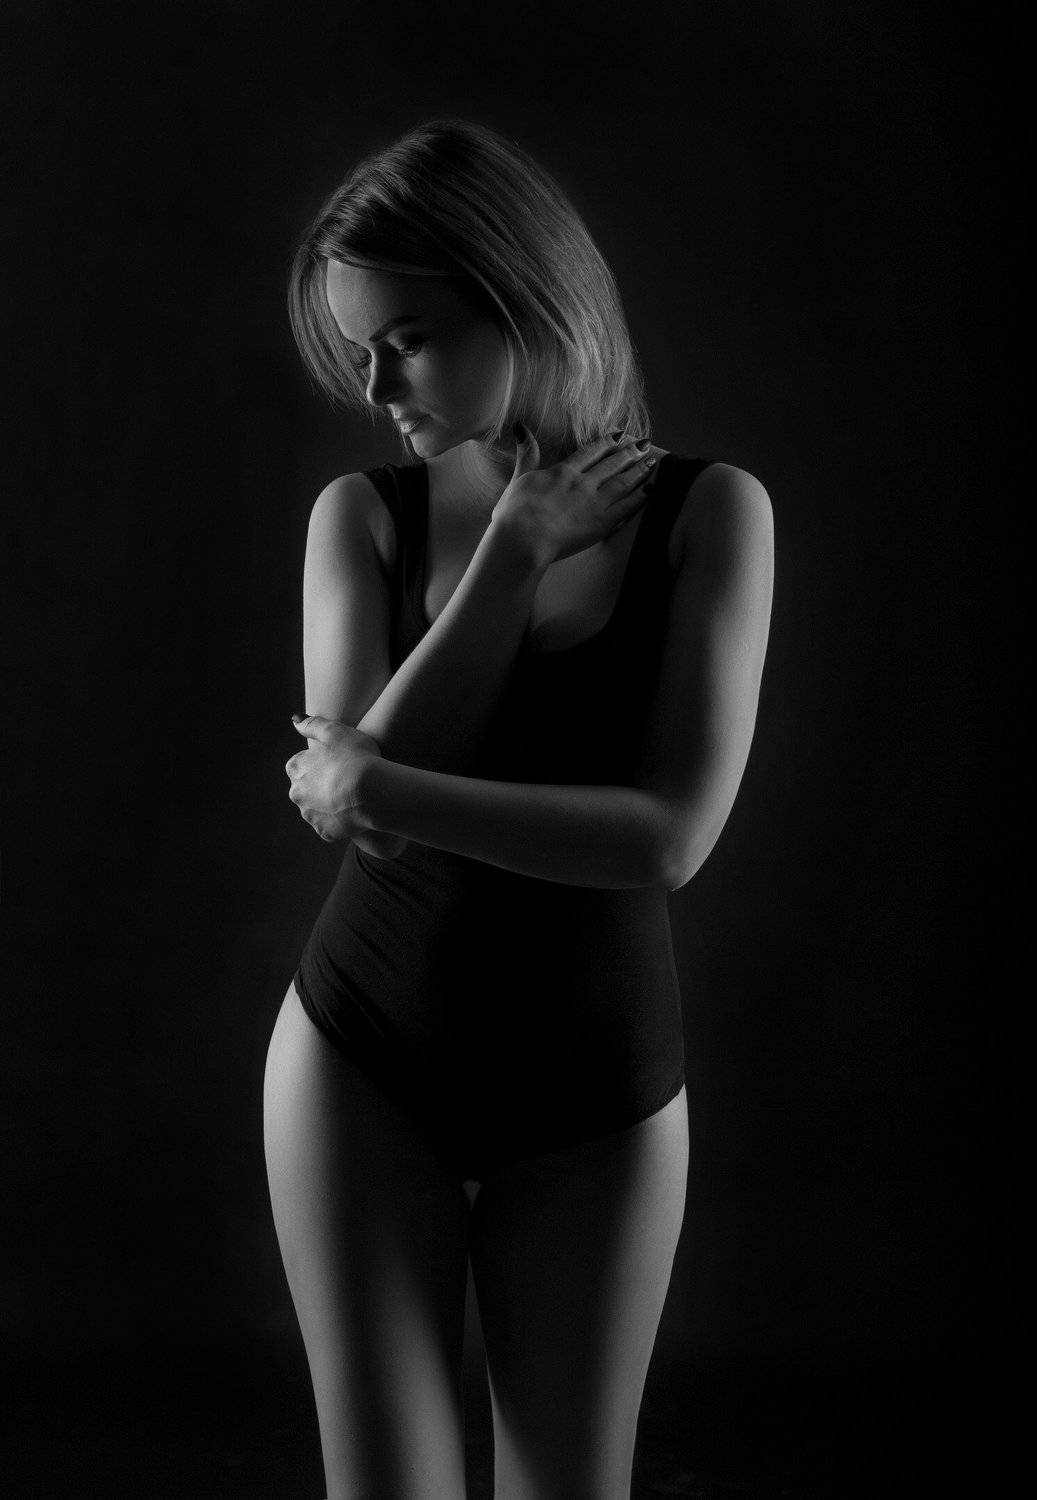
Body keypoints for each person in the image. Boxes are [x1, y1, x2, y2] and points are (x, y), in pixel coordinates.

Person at [265, 116, 774, 1499]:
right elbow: (357, 813)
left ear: (526, 304)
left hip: (596, 1085)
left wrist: (376, 781)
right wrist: (512, 552)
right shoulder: (360, 517)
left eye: (409, 339)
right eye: (360, 349)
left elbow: (666, 837)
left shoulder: (714, 515)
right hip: (362, 1053)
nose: (377, 385)